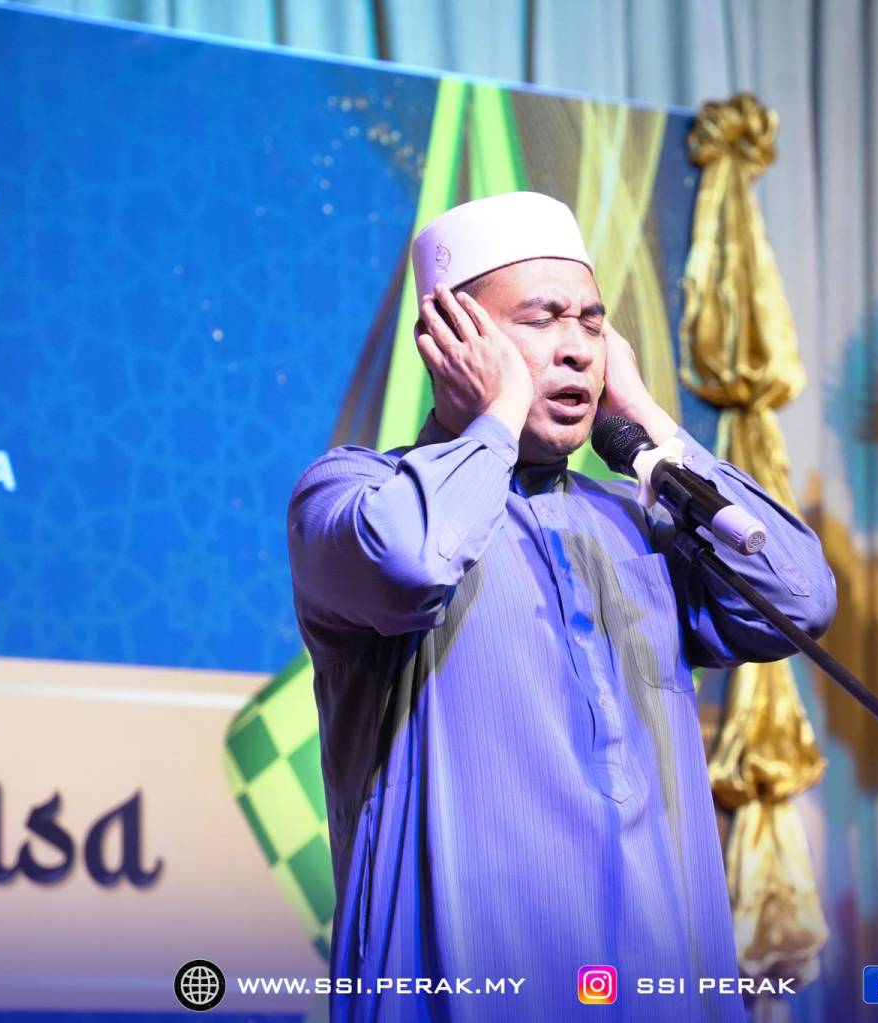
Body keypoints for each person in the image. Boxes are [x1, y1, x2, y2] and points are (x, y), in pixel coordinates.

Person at [286, 191, 836, 1022]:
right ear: (451, 336)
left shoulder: (634, 520)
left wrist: (647, 420)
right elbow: (408, 564)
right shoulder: (354, 494)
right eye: (543, 319)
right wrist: (497, 415)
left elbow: (798, 599)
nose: (578, 348)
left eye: (592, 322)